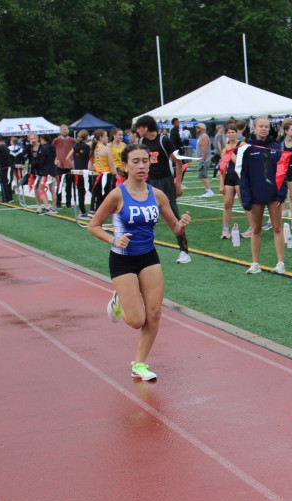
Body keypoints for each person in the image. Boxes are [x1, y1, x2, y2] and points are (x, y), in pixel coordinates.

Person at [87, 143, 191, 382]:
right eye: (136, 161)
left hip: (148, 257)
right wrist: (114, 239)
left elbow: (175, 228)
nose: (142, 166)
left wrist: (182, 224)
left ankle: (140, 364)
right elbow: (93, 226)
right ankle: (119, 300)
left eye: (145, 161)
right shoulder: (117, 195)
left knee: (154, 313)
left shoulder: (157, 195)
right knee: (136, 321)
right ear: (125, 166)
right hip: (122, 259)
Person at [134, 115, 190, 264]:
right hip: (149, 182)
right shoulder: (141, 142)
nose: (137, 130)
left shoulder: (164, 140)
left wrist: (178, 184)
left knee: (173, 215)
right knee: (144, 214)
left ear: (146, 127)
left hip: (166, 182)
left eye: (139, 127)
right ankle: (141, 248)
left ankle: (184, 251)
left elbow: (178, 162)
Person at [239, 116, 288, 275]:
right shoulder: (247, 148)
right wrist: (246, 197)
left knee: (277, 227)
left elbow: (282, 171)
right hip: (255, 195)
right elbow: (244, 175)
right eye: (261, 126)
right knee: (256, 229)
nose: (264, 129)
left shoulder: (275, 146)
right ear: (254, 128)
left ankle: (280, 263)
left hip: (274, 195)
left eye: (266, 126)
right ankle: (255, 263)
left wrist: (281, 193)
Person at [218, 125, 241, 240]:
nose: (231, 134)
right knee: (227, 204)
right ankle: (225, 230)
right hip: (229, 178)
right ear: (226, 134)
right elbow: (223, 167)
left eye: (233, 132)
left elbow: (239, 162)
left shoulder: (241, 145)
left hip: (240, 177)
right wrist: (221, 184)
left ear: (237, 133)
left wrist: (230, 151)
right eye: (229, 132)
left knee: (245, 203)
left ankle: (252, 228)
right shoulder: (225, 148)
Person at [68, 130, 92, 219]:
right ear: (86, 137)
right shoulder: (87, 147)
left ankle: (82, 211)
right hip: (86, 171)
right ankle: (93, 209)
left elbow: (68, 157)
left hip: (77, 172)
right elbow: (90, 158)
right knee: (92, 190)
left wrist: (74, 166)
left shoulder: (75, 146)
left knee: (80, 191)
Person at [53, 124, 76, 209]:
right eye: (63, 129)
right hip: (60, 165)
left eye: (66, 129)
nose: (65, 131)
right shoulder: (56, 140)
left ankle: (68, 203)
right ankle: (58, 203)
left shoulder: (72, 140)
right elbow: (52, 150)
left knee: (69, 185)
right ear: (60, 131)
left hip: (69, 165)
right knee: (59, 185)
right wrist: (55, 159)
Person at [194, 123, 214, 197]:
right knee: (202, 175)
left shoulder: (203, 137)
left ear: (202, 129)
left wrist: (203, 157)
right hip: (202, 158)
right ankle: (207, 190)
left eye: (198, 128)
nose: (196, 129)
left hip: (203, 159)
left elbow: (204, 147)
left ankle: (208, 191)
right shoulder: (201, 136)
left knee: (202, 175)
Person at [0, 136, 13, 203]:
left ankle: (5, 198)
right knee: (8, 182)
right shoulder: (7, 147)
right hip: (9, 166)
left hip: (3, 167)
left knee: (3, 182)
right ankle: (10, 197)